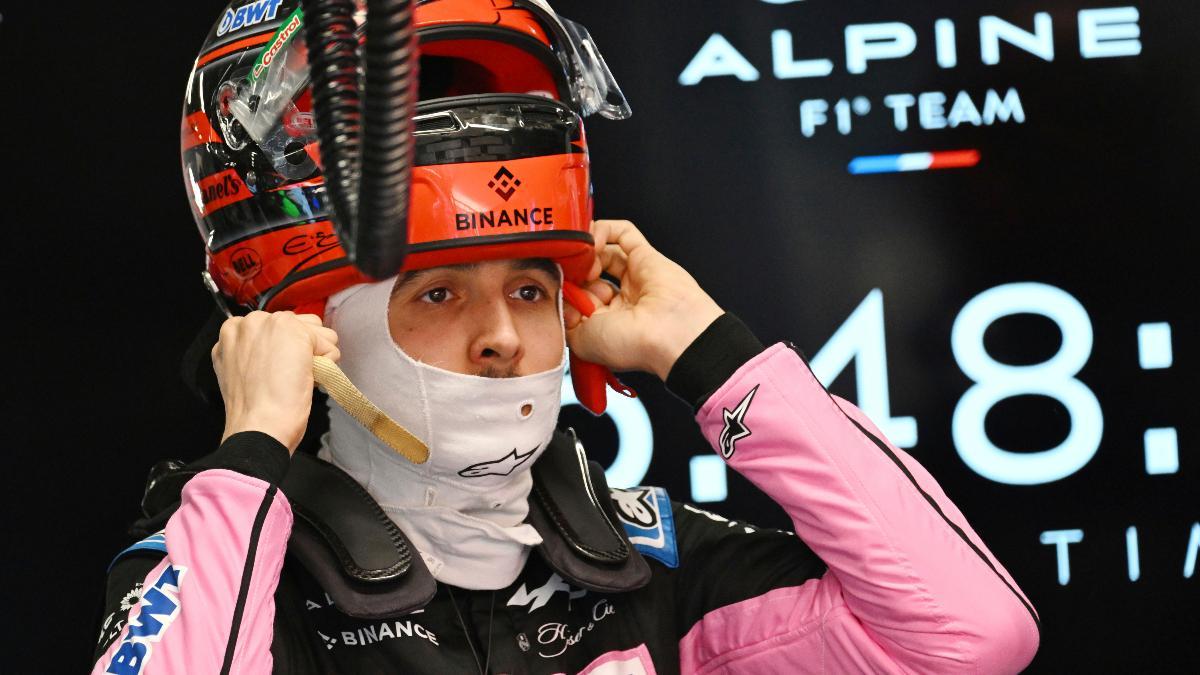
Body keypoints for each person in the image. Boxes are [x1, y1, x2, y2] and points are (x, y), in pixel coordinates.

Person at [92, 1, 1040, 673]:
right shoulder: (228, 573)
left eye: (532, 288)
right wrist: (253, 453)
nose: (504, 337)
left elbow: (970, 636)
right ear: (306, 332)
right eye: (438, 293)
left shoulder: (649, 569)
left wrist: (711, 353)